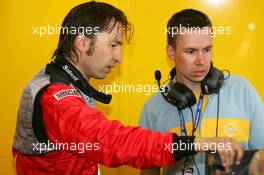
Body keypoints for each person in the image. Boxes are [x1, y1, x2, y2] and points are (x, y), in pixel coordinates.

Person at [12, 2, 243, 175]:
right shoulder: (56, 97)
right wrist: (198, 142)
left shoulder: (61, 80)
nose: (119, 57)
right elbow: (112, 142)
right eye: (113, 45)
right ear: (82, 43)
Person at [139, 9, 264, 175]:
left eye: (207, 50)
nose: (201, 61)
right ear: (171, 52)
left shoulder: (242, 91)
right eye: (191, 52)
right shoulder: (153, 108)